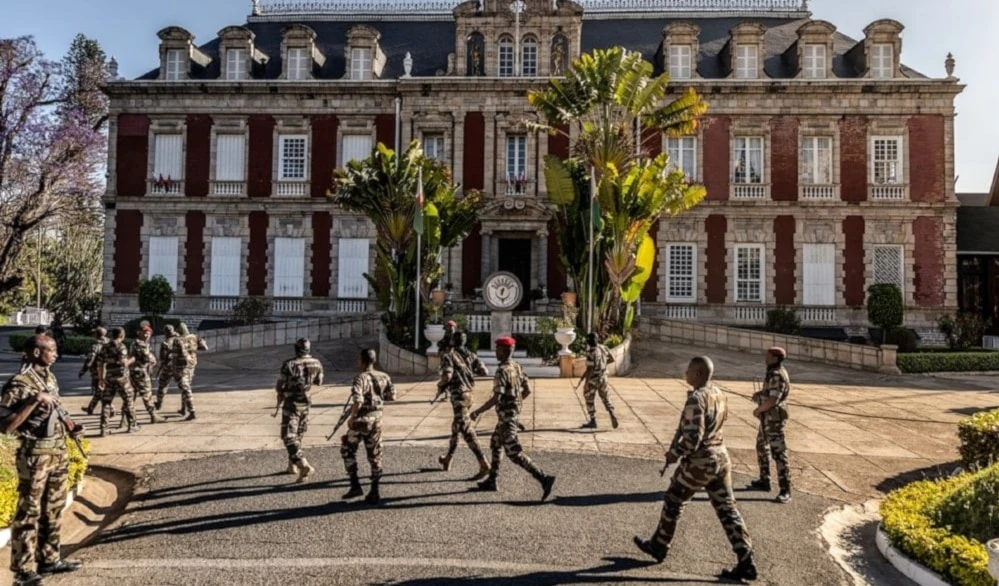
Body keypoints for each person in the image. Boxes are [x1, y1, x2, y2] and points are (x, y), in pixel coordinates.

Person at [633, 356, 758, 581]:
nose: (685, 374)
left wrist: (674, 454)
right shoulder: (719, 394)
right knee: (727, 509)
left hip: (700, 462)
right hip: (721, 459)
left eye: (689, 371)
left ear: (699, 374)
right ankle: (746, 558)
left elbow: (692, 438)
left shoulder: (697, 399)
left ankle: (659, 545)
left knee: (673, 499)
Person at [0, 335, 84, 585]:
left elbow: (54, 411)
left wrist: (70, 427)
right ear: (36, 353)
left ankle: (49, 559)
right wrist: (34, 401)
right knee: (29, 512)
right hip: (34, 457)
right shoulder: (19, 384)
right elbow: (5, 426)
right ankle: (23, 570)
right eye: (51, 350)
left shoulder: (49, 378)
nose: (56, 354)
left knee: (54, 508)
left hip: (57, 453)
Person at [469, 336, 555, 501]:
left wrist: (477, 412)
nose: (495, 352)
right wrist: (515, 406)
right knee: (495, 443)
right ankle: (492, 480)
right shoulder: (517, 367)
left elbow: (496, 397)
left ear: (503, 351)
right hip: (508, 417)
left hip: (507, 419)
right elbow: (527, 390)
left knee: (514, 453)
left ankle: (544, 478)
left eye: (497, 349)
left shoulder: (502, 371)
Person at [340, 348, 395, 504]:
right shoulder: (385, 376)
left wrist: (351, 418)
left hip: (361, 421)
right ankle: (375, 490)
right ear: (374, 360)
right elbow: (392, 396)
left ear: (361, 360)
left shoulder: (360, 378)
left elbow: (358, 400)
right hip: (377, 421)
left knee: (347, 450)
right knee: (375, 456)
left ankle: (355, 485)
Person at [434, 331, 490, 480]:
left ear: (452, 341)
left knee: (466, 430)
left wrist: (440, 384)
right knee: (456, 427)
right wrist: (468, 372)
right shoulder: (471, 355)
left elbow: (447, 376)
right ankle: (448, 458)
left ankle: (483, 462)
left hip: (458, 396)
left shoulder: (449, 355)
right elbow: (484, 371)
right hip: (469, 395)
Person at [276, 338, 324, 483]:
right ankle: (292, 466)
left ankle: (303, 465)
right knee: (298, 434)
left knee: (288, 436)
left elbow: (280, 384)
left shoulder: (289, 364)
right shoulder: (317, 363)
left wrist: (281, 393)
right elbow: (319, 381)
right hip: (306, 403)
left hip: (291, 403)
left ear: (296, 349)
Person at [750, 346, 793, 504]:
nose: (765, 358)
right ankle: (764, 480)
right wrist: (759, 395)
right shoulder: (772, 372)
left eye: (768, 356)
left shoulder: (776, 374)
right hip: (767, 420)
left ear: (775, 358)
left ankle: (785, 489)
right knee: (762, 447)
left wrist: (758, 409)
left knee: (779, 454)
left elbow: (773, 400)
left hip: (773, 421)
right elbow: (770, 393)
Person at [96, 328, 139, 436]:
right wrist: (132, 359)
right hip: (121, 378)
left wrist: (101, 378)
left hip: (109, 377)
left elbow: (100, 364)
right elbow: (124, 363)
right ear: (121, 335)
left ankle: (104, 429)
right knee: (129, 401)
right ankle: (132, 425)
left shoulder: (105, 347)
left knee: (106, 403)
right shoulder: (121, 346)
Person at [579, 332, 619, 430]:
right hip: (603, 377)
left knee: (588, 397)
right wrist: (603, 365)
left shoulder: (590, 353)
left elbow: (590, 369)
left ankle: (593, 420)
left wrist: (585, 383)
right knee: (605, 397)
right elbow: (612, 359)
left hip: (593, 378)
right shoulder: (603, 348)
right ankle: (611, 412)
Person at [128, 326, 166, 425]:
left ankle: (124, 420)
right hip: (140, 372)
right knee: (147, 394)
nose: (146, 335)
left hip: (135, 372)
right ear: (139, 333)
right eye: (144, 333)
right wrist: (152, 359)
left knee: (131, 396)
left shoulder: (141, 343)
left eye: (148, 333)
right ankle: (153, 415)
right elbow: (146, 357)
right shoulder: (140, 343)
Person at [170, 323, 208, 421]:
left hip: (181, 368)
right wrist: (193, 350)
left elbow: (174, 356)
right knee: (186, 388)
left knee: (185, 389)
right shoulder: (194, 337)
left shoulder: (177, 341)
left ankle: (192, 411)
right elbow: (204, 348)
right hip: (191, 366)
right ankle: (183, 409)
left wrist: (173, 370)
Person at [79, 327, 109, 416]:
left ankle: (110, 409)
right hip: (109, 370)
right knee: (99, 391)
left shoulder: (96, 346)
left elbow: (90, 360)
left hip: (98, 371)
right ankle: (90, 408)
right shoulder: (110, 343)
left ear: (97, 335)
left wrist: (83, 371)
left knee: (100, 390)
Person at [154, 325, 178, 411]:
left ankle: (159, 403)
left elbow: (163, 357)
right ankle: (185, 406)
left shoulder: (165, 343)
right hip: (179, 367)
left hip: (168, 367)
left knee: (162, 385)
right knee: (184, 387)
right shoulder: (180, 339)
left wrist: (161, 366)